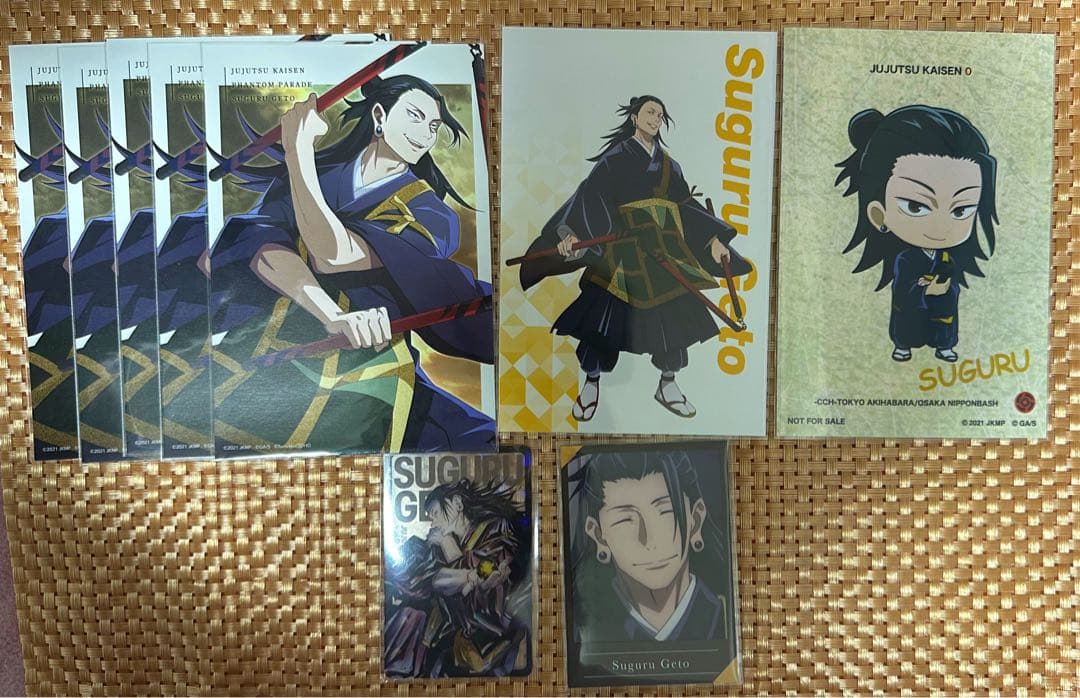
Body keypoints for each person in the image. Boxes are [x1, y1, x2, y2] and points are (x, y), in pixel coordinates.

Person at [210, 75, 494, 454]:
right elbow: (263, 248)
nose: (425, 134)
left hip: (372, 366)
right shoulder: (321, 176)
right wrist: (331, 314)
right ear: (379, 116)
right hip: (276, 349)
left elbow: (334, 255)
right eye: (414, 116)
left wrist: (298, 152)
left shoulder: (433, 214)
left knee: (477, 442)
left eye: (433, 126)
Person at [517, 95, 752, 421]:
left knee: (674, 321)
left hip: (664, 252)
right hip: (623, 252)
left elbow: (686, 206)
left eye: (660, 115)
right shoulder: (615, 159)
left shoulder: (670, 166)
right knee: (603, 325)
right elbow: (590, 197)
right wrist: (571, 234)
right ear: (634, 117)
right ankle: (591, 383)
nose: (655, 119)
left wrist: (713, 240)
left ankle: (668, 384)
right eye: (650, 112)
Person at [835, 104, 998, 363]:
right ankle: (903, 346)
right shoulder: (906, 259)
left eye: (960, 210)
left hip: (941, 308)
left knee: (944, 321)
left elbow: (951, 281)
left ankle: (944, 346)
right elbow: (903, 288)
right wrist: (923, 288)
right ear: (879, 214)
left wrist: (945, 286)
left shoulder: (947, 256)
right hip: (912, 308)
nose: (941, 225)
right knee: (907, 324)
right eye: (916, 206)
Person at [566, 449, 732, 644]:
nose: (649, 540)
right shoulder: (580, 625)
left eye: (665, 512)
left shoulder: (728, 618)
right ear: (598, 535)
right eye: (625, 520)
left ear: (695, 520)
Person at [383, 480, 531, 677]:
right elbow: (432, 581)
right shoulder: (437, 549)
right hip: (456, 628)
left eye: (436, 513)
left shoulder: (495, 527)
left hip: (492, 624)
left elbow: (490, 567)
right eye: (430, 518)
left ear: (458, 504)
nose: (433, 523)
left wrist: (448, 545)